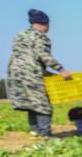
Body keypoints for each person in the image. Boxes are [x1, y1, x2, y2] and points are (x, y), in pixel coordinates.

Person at [7, 9, 70, 137]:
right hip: (31, 73)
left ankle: (34, 131)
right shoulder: (40, 37)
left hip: (15, 73)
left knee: (31, 103)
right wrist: (60, 69)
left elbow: (26, 56)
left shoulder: (20, 34)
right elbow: (42, 55)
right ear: (45, 24)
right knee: (42, 103)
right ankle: (45, 134)